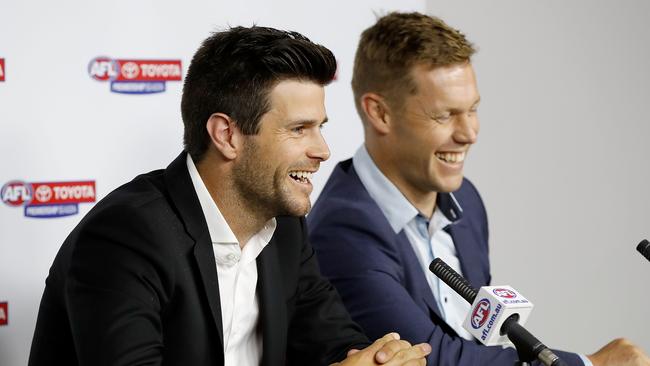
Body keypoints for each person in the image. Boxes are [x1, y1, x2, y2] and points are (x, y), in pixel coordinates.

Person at [27, 26, 432, 366]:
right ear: (227, 135)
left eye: (320, 127)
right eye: (299, 129)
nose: (323, 150)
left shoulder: (285, 228)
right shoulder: (126, 236)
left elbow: (334, 343)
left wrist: (379, 359)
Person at [308, 12, 650, 366]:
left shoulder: (465, 201)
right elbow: (432, 358)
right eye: (445, 115)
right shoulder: (343, 230)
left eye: (472, 110)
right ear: (380, 113)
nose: (469, 133)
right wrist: (591, 363)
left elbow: (479, 342)